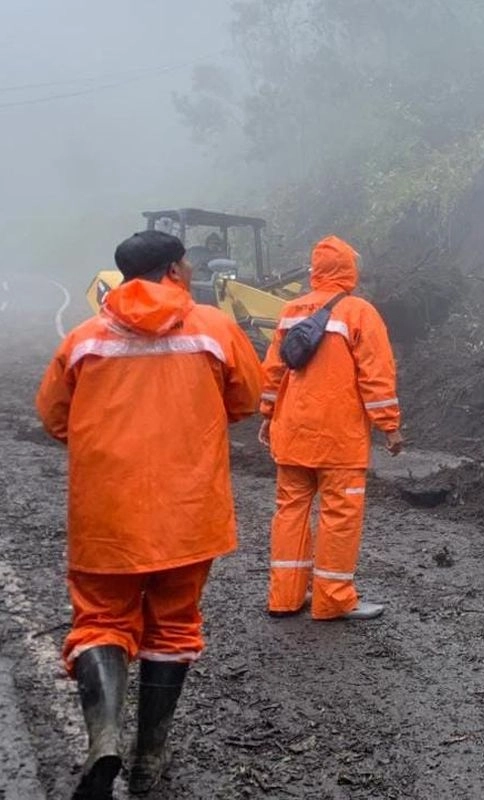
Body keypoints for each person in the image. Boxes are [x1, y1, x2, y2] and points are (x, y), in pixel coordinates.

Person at [35, 230, 263, 799]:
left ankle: (105, 738)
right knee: (173, 626)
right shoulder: (215, 329)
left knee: (100, 621)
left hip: (105, 514)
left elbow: (54, 418)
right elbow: (245, 400)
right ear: (174, 270)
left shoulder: (85, 339)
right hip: (189, 511)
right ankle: (150, 758)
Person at [258, 234, 403, 621]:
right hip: (338, 438)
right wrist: (389, 426)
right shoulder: (359, 312)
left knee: (290, 511)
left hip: (292, 432)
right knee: (339, 515)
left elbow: (273, 370)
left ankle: (284, 598)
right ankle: (333, 599)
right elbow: (376, 374)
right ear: (349, 269)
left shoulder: (290, 311)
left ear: (316, 270)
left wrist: (267, 413)